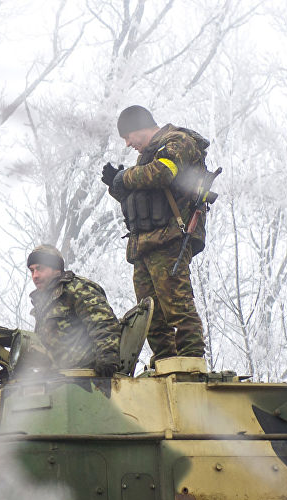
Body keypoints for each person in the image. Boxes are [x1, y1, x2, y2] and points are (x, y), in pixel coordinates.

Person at [100, 105, 209, 362]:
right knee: (149, 315)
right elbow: (144, 201)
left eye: (128, 137)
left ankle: (191, 362)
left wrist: (124, 177)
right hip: (145, 244)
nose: (128, 144)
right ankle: (167, 363)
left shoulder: (178, 141)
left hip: (170, 238)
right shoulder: (147, 157)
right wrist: (116, 184)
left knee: (177, 305)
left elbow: (164, 173)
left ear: (140, 127)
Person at [27, 245, 121, 376]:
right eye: (32, 271)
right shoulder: (43, 304)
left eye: (40, 269)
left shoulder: (77, 288)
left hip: (87, 377)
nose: (35, 276)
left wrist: (106, 361)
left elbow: (103, 323)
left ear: (56, 268)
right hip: (59, 381)